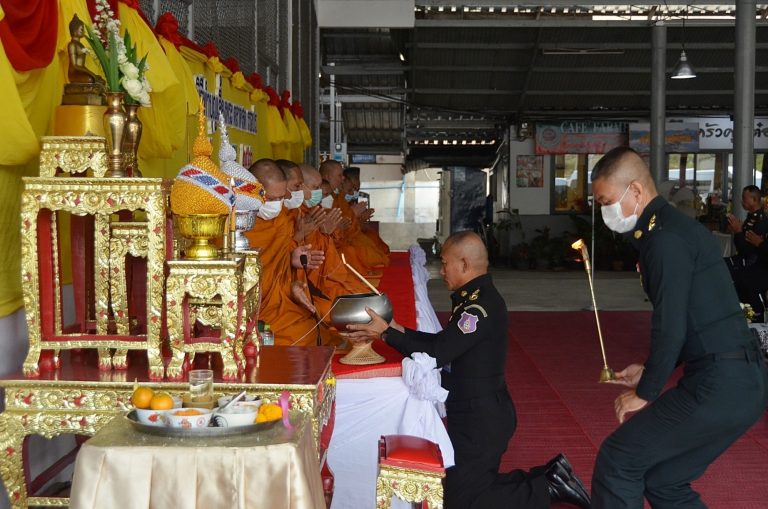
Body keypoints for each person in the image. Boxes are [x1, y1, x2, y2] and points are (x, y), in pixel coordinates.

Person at [344, 231, 591, 509]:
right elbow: (442, 342)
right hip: (478, 410)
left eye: (445, 263)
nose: (441, 270)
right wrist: (395, 329)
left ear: (464, 264)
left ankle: (547, 487)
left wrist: (387, 334)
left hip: (481, 417)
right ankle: (549, 475)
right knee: (466, 487)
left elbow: (438, 353)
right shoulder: (473, 298)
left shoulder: (478, 307)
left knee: (461, 500)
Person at [589, 147, 768, 508]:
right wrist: (649, 369)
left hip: (720, 382)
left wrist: (647, 391)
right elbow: (695, 317)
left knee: (618, 459)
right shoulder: (675, 228)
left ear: (635, 190)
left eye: (607, 202)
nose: (605, 212)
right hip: (742, 379)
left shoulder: (664, 240)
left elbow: (670, 324)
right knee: (664, 481)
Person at [725, 185, 767, 275]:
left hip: (751, 267)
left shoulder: (760, 221)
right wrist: (737, 230)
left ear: (754, 199)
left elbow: (747, 252)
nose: (742, 201)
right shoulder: (751, 217)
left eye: (744, 198)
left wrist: (738, 231)